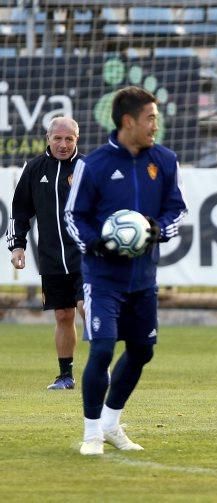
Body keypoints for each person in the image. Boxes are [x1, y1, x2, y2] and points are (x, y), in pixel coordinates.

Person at [65, 86, 187, 455]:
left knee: (141, 351)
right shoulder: (95, 164)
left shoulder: (165, 160)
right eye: (150, 118)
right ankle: (91, 435)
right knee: (101, 349)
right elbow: (74, 216)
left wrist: (157, 229)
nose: (156, 124)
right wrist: (96, 242)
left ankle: (111, 423)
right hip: (103, 278)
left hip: (144, 279)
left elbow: (177, 211)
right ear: (128, 121)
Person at [7, 117, 86, 390]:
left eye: (69, 139)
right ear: (48, 138)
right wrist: (17, 246)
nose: (63, 145)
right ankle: (65, 376)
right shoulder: (34, 168)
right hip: (51, 257)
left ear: (77, 139)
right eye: (58, 139)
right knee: (63, 316)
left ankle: (102, 369)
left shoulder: (88, 169)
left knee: (87, 308)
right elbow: (20, 212)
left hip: (86, 256)